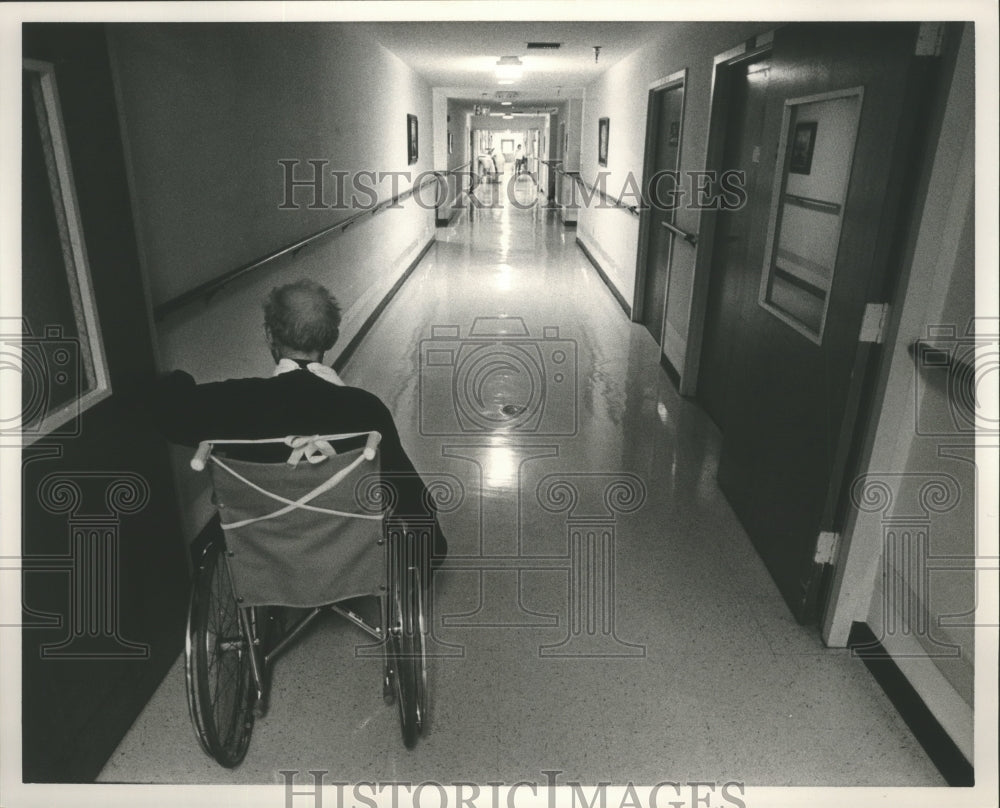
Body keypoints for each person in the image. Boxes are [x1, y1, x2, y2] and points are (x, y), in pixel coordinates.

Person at [146, 278, 448, 568]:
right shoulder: (366, 410)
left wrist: (178, 381)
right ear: (332, 336)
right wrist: (432, 550)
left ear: (269, 336)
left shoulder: (233, 402)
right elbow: (409, 495)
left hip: (263, 549)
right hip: (349, 551)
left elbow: (167, 414)